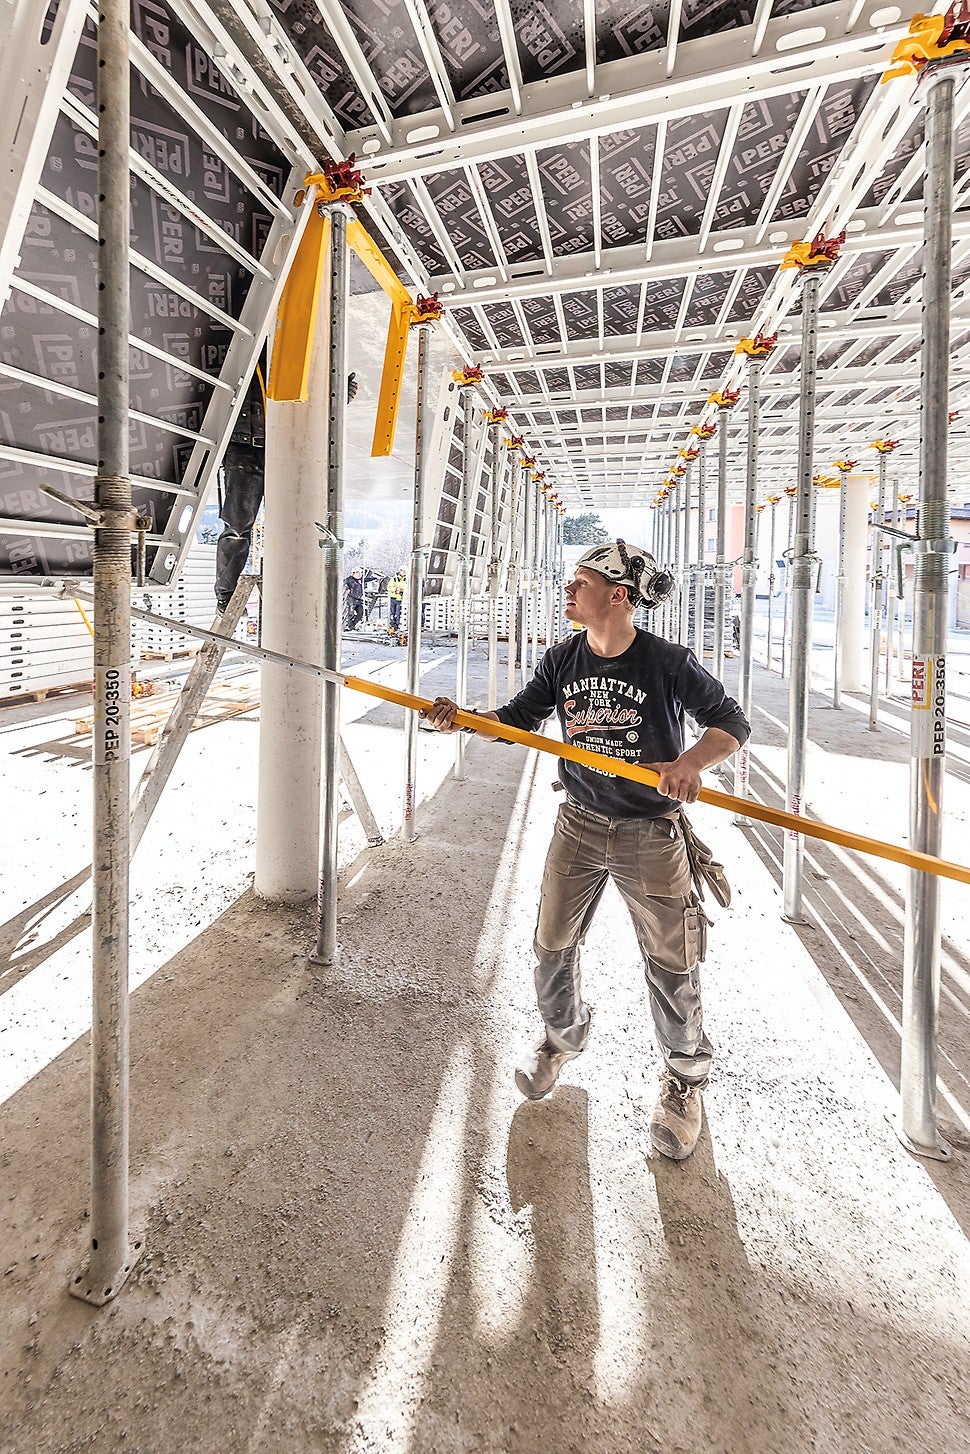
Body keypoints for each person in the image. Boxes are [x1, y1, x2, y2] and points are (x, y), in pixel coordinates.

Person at [424, 541, 750, 1162]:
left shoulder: (667, 663)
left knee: (672, 960)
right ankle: (560, 1038)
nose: (568, 590)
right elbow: (520, 718)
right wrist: (464, 718)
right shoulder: (562, 658)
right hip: (577, 822)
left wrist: (688, 762)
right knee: (551, 943)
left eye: (581, 581)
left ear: (618, 595)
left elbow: (733, 722)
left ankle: (683, 1079)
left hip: (650, 832)